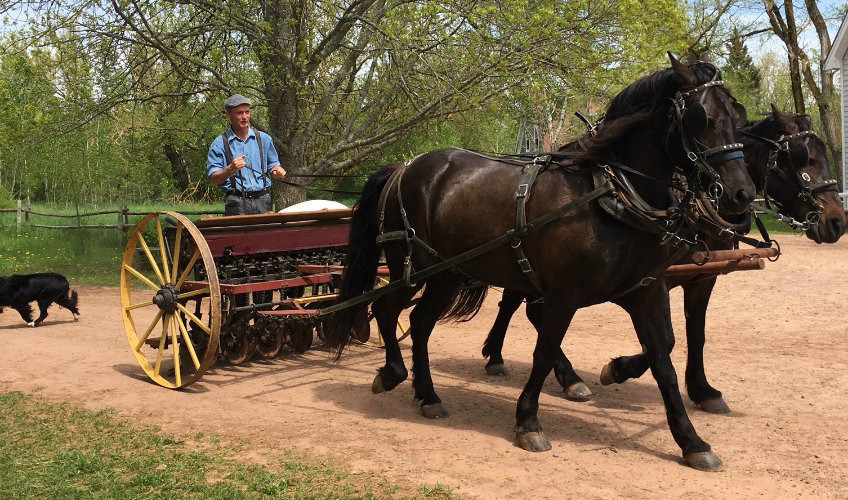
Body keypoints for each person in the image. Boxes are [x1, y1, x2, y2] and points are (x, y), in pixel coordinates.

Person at [207, 94, 287, 215]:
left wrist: (277, 171)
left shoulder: (264, 139)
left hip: (263, 200)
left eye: (247, 112)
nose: (244, 117)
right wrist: (230, 169)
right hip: (236, 203)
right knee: (240, 235)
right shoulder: (219, 144)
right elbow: (214, 180)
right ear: (228, 116)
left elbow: (274, 167)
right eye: (239, 113)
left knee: (267, 234)